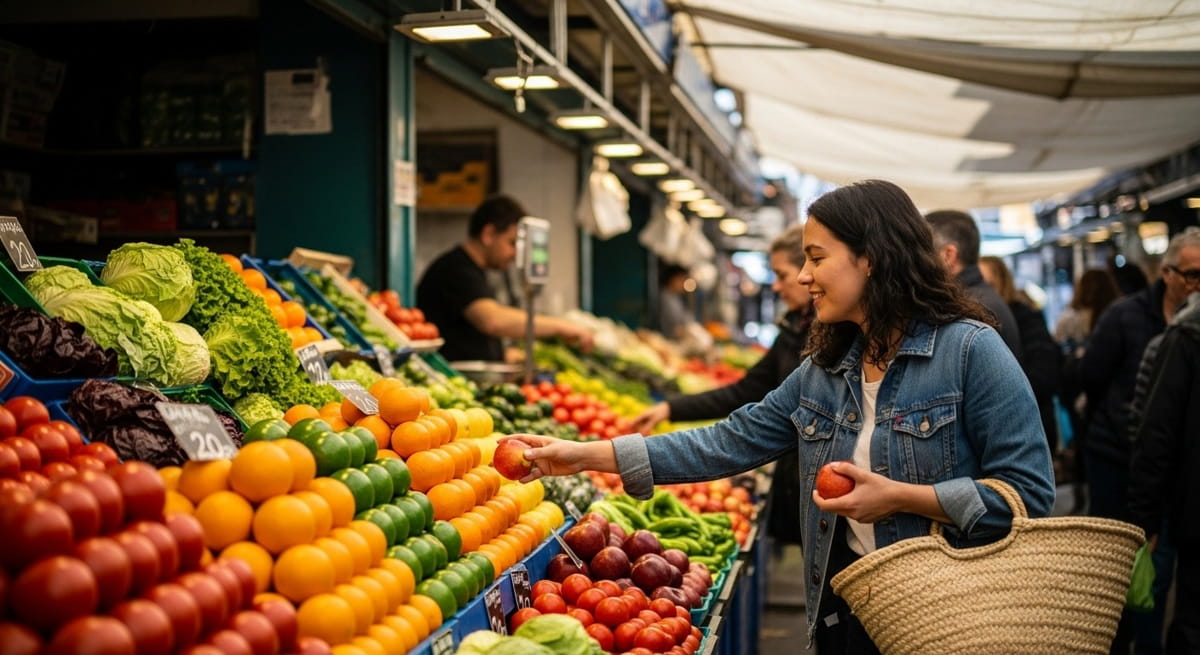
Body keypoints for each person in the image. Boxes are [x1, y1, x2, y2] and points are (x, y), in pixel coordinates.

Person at [512, 180, 1056, 654]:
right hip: (847, 610)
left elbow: (1028, 494)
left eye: (816, 258)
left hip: (946, 616)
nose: (803, 276)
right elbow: (728, 441)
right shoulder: (826, 370)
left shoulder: (971, 352)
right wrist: (582, 456)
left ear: (871, 258)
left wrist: (902, 498)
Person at [629, 224, 815, 547]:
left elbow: (743, 435)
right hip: (801, 487)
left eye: (782, 275)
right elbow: (745, 393)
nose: (776, 286)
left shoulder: (832, 341)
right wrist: (671, 408)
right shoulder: (793, 330)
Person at [1079, 227, 1200, 654]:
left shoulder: (1188, 330)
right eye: (1192, 274)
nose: (1197, 285)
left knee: (1160, 572)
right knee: (1118, 569)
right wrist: (1117, 422)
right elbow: (1091, 376)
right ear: (1166, 273)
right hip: (1117, 459)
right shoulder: (1125, 316)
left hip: (1173, 474)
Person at [416, 194, 593, 362]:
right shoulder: (456, 269)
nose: (516, 254)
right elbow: (492, 320)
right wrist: (560, 326)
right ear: (488, 234)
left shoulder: (473, 270)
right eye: (512, 243)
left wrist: (502, 354)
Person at [1128, 289, 1200, 655]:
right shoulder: (1184, 337)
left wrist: (1146, 518)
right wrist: (1146, 518)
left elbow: (1156, 432)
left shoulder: (1186, 334)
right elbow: (1156, 433)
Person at [979, 256, 1061, 452]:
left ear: (1001, 282)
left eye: (987, 284)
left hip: (1031, 423)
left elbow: (1043, 371)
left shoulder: (1024, 317)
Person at [925, 210, 1022, 357]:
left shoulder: (969, 307)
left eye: (926, 252)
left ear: (948, 255)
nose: (920, 260)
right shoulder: (979, 297)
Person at [655, 264, 694, 340]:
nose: (683, 284)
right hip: (667, 339)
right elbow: (670, 325)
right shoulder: (664, 297)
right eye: (680, 280)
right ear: (672, 279)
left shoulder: (677, 297)